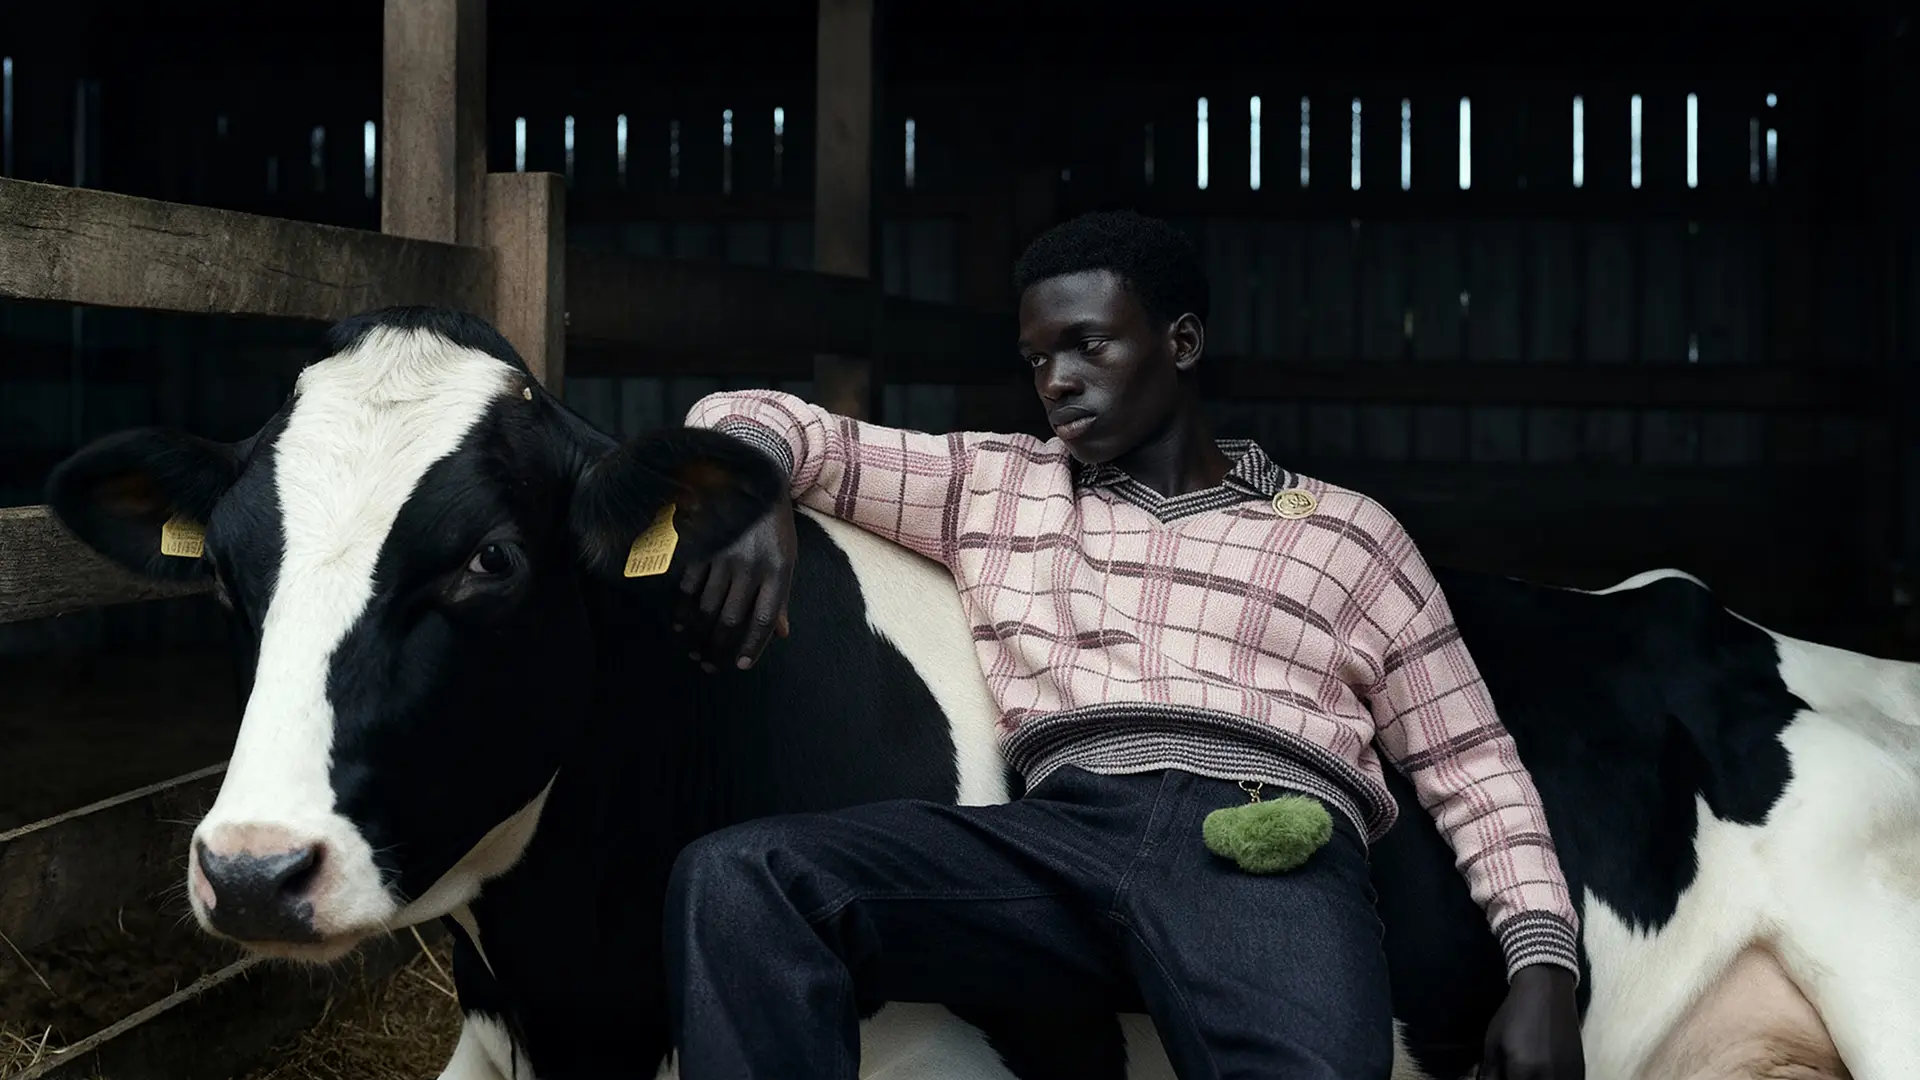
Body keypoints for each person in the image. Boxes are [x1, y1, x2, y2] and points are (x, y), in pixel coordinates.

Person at [663, 210, 1584, 1080]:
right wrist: (749, 487)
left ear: (1180, 343)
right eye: (1037, 358)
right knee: (744, 880)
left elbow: (1471, 763)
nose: (1056, 381)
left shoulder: (1350, 534)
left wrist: (1542, 967)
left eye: (1087, 345)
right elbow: (764, 416)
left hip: (1264, 847)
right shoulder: (997, 485)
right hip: (1062, 841)